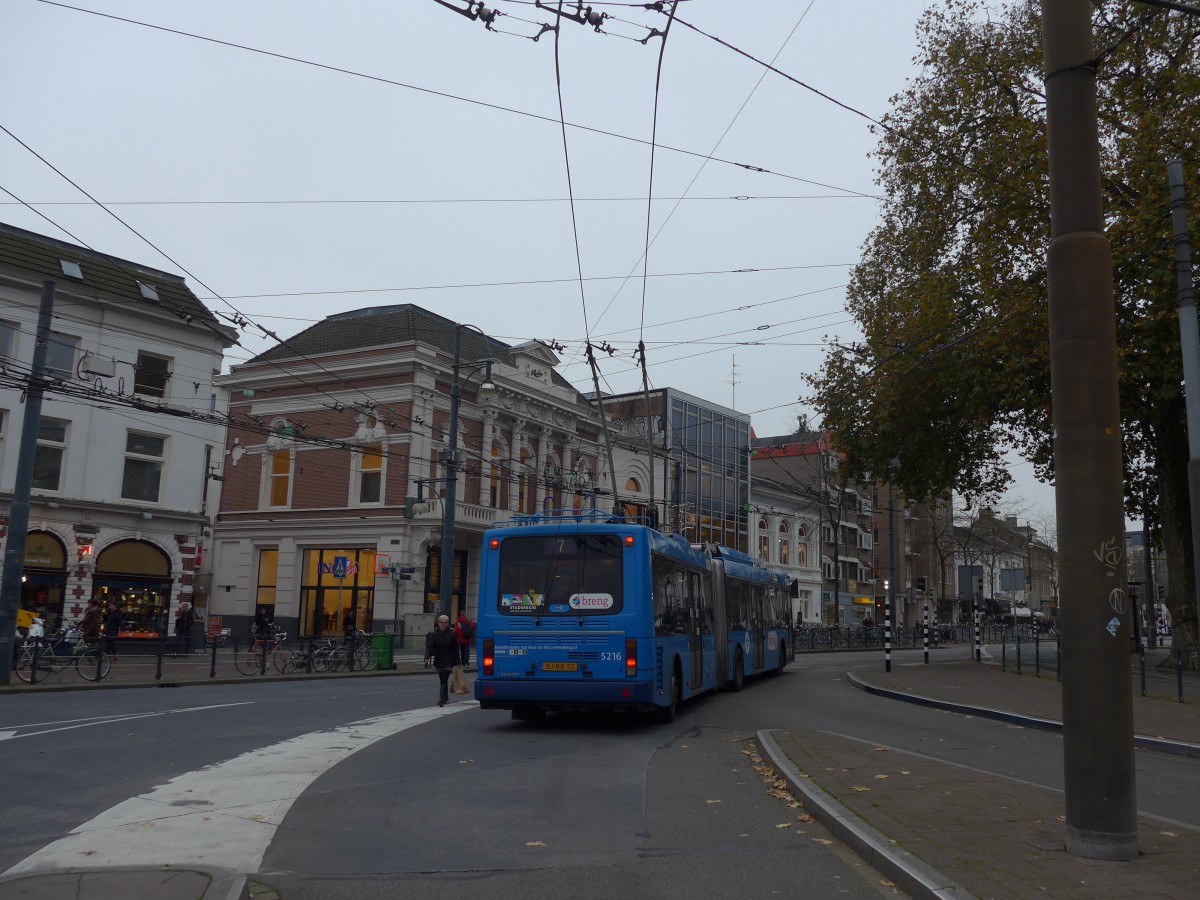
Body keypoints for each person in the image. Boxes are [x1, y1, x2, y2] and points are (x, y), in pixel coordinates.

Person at [424, 615, 460, 707]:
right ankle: (445, 696)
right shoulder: (434, 634)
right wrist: (427, 656)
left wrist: (458, 662)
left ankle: (441, 699)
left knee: (444, 679)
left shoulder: (452, 634)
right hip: (439, 659)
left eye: (445, 622)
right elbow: (430, 646)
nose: (443, 624)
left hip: (449, 659)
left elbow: (456, 648)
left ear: (447, 623)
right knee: (442, 680)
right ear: (438, 623)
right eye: (441, 622)